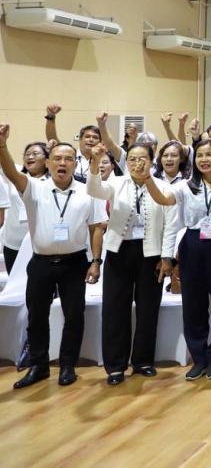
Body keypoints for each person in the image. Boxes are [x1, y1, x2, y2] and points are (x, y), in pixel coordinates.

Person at [0, 125, 105, 388]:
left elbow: (96, 228)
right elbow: (11, 173)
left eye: (68, 159)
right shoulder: (34, 187)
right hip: (41, 264)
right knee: (37, 316)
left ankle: (68, 366)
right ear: (47, 163)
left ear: (75, 164)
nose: (62, 163)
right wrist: (2, 146)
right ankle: (39, 366)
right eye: (57, 158)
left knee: (74, 316)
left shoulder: (88, 192)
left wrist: (95, 261)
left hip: (75, 263)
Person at [144, 137, 211, 380]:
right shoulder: (186, 186)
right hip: (193, 244)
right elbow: (163, 199)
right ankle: (199, 358)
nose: (204, 160)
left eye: (210, 155)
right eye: (201, 155)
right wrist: (147, 179)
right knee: (193, 305)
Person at [87, 143, 177, 385]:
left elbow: (170, 226)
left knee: (148, 309)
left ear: (152, 161)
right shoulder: (116, 183)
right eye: (133, 159)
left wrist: (166, 257)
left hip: (151, 254)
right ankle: (115, 366)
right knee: (115, 309)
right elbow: (94, 189)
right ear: (126, 163)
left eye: (143, 158)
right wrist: (95, 161)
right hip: (119, 251)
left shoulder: (164, 187)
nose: (138, 163)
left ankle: (143, 361)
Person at [2, 141, 49, 272]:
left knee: (38, 282)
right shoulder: (14, 175)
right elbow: (4, 161)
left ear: (47, 160)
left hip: (40, 244)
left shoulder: (52, 182)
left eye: (35, 153)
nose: (30, 157)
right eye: (27, 154)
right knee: (15, 282)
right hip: (13, 242)